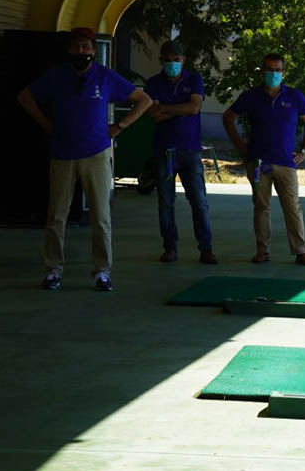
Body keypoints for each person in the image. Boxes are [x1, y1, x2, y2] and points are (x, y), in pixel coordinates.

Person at [17, 27, 152, 291]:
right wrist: (46, 123)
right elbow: (24, 97)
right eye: (77, 46)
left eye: (86, 47)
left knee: (101, 216)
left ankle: (102, 271)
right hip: (62, 154)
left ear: (93, 50)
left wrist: (120, 127)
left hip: (97, 153)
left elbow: (144, 100)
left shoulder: (105, 77)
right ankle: (53, 270)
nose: (82, 51)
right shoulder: (57, 75)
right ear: (69, 50)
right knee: (56, 216)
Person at [223, 53, 305, 265]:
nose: (274, 74)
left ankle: (301, 251)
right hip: (257, 162)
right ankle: (262, 251)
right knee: (261, 206)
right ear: (262, 71)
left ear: (283, 72)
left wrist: (304, 150)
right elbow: (228, 118)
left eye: (278, 70)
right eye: (270, 69)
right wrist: (241, 147)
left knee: (292, 206)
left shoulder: (294, 96)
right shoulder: (251, 96)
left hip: (286, 162)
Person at [145, 39, 217, 264]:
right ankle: (170, 248)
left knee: (198, 201)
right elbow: (153, 115)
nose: (172, 63)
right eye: (167, 60)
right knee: (165, 202)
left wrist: (165, 108)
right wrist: (181, 109)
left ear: (183, 60)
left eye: (176, 59)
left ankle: (206, 248)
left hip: (190, 150)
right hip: (164, 151)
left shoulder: (194, 79)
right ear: (161, 60)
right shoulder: (153, 83)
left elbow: (194, 107)